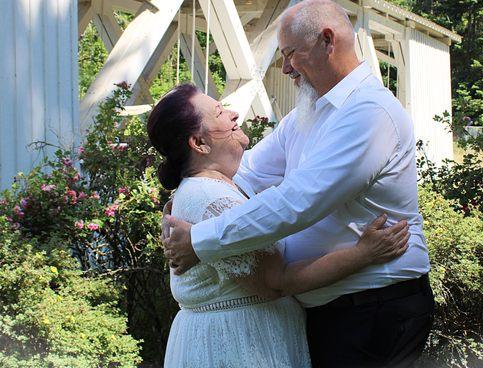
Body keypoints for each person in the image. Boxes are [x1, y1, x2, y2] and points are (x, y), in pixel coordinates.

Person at [164, 0, 434, 367]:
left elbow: (298, 203)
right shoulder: (309, 112)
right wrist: (192, 194)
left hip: (374, 309)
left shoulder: (369, 114)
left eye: (290, 53)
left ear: (327, 41)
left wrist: (200, 239)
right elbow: (246, 176)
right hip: (335, 313)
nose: (285, 67)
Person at [148, 84, 411, 367]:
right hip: (242, 347)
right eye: (220, 112)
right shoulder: (210, 199)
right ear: (199, 143)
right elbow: (275, 281)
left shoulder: (212, 186)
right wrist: (364, 254)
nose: (234, 114)